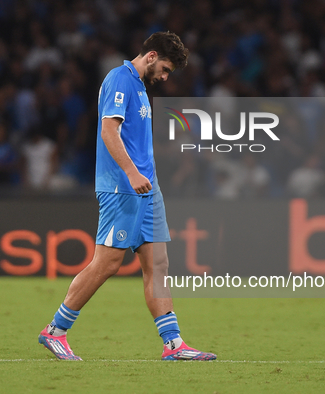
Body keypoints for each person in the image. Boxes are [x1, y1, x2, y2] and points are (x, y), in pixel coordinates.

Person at [38, 32, 216, 361]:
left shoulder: (139, 87)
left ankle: (173, 344)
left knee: (158, 264)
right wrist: (133, 173)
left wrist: (145, 175)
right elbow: (109, 130)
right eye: (164, 69)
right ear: (151, 56)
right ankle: (56, 330)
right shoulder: (120, 79)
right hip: (123, 186)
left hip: (148, 188)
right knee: (107, 264)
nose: (164, 77)